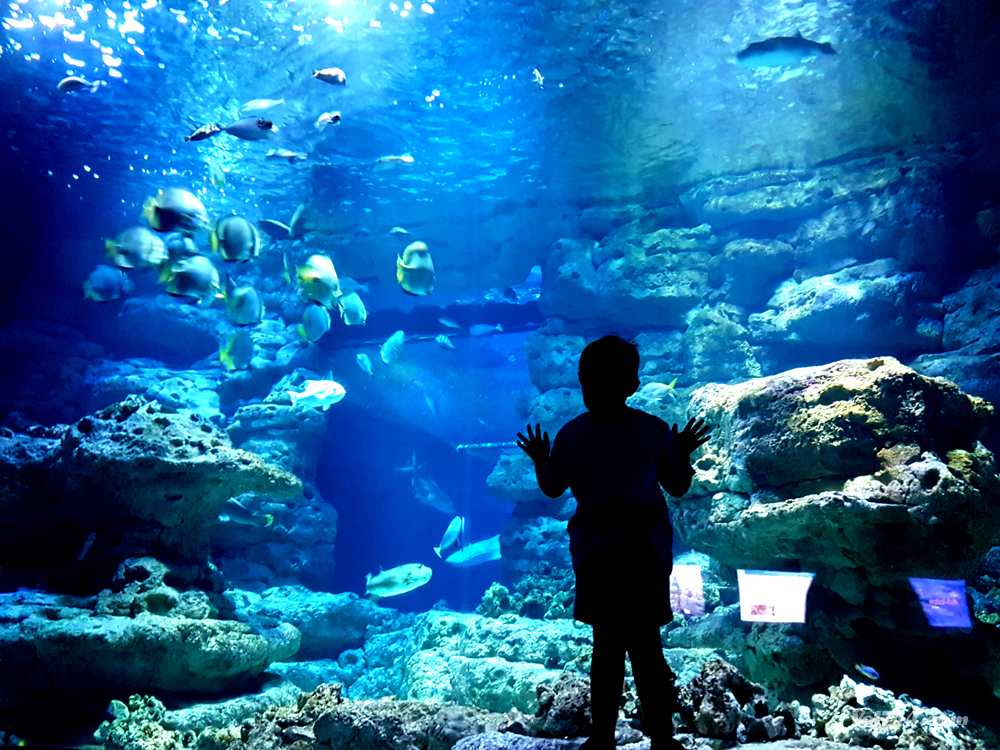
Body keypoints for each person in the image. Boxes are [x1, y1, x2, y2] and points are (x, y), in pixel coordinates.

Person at [516, 335, 711, 750]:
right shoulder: (654, 431)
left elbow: (552, 487)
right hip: (645, 551)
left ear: (585, 384)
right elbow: (677, 483)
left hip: (597, 553)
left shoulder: (572, 434)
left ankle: (602, 739)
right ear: (633, 384)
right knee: (646, 648)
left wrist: (539, 457)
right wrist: (683, 449)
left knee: (605, 649)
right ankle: (662, 739)